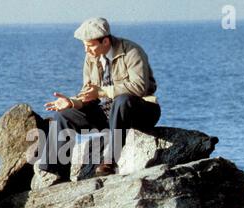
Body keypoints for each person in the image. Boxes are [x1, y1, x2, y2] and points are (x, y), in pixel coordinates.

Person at [39, 17, 161, 182]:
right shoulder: (91, 58)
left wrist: (103, 92)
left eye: (90, 46)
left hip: (140, 110)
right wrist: (72, 102)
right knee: (64, 116)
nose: (86, 51)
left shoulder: (132, 51)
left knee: (122, 100)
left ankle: (110, 161)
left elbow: (139, 87)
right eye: (84, 46)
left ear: (105, 41)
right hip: (109, 112)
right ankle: (57, 173)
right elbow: (90, 92)